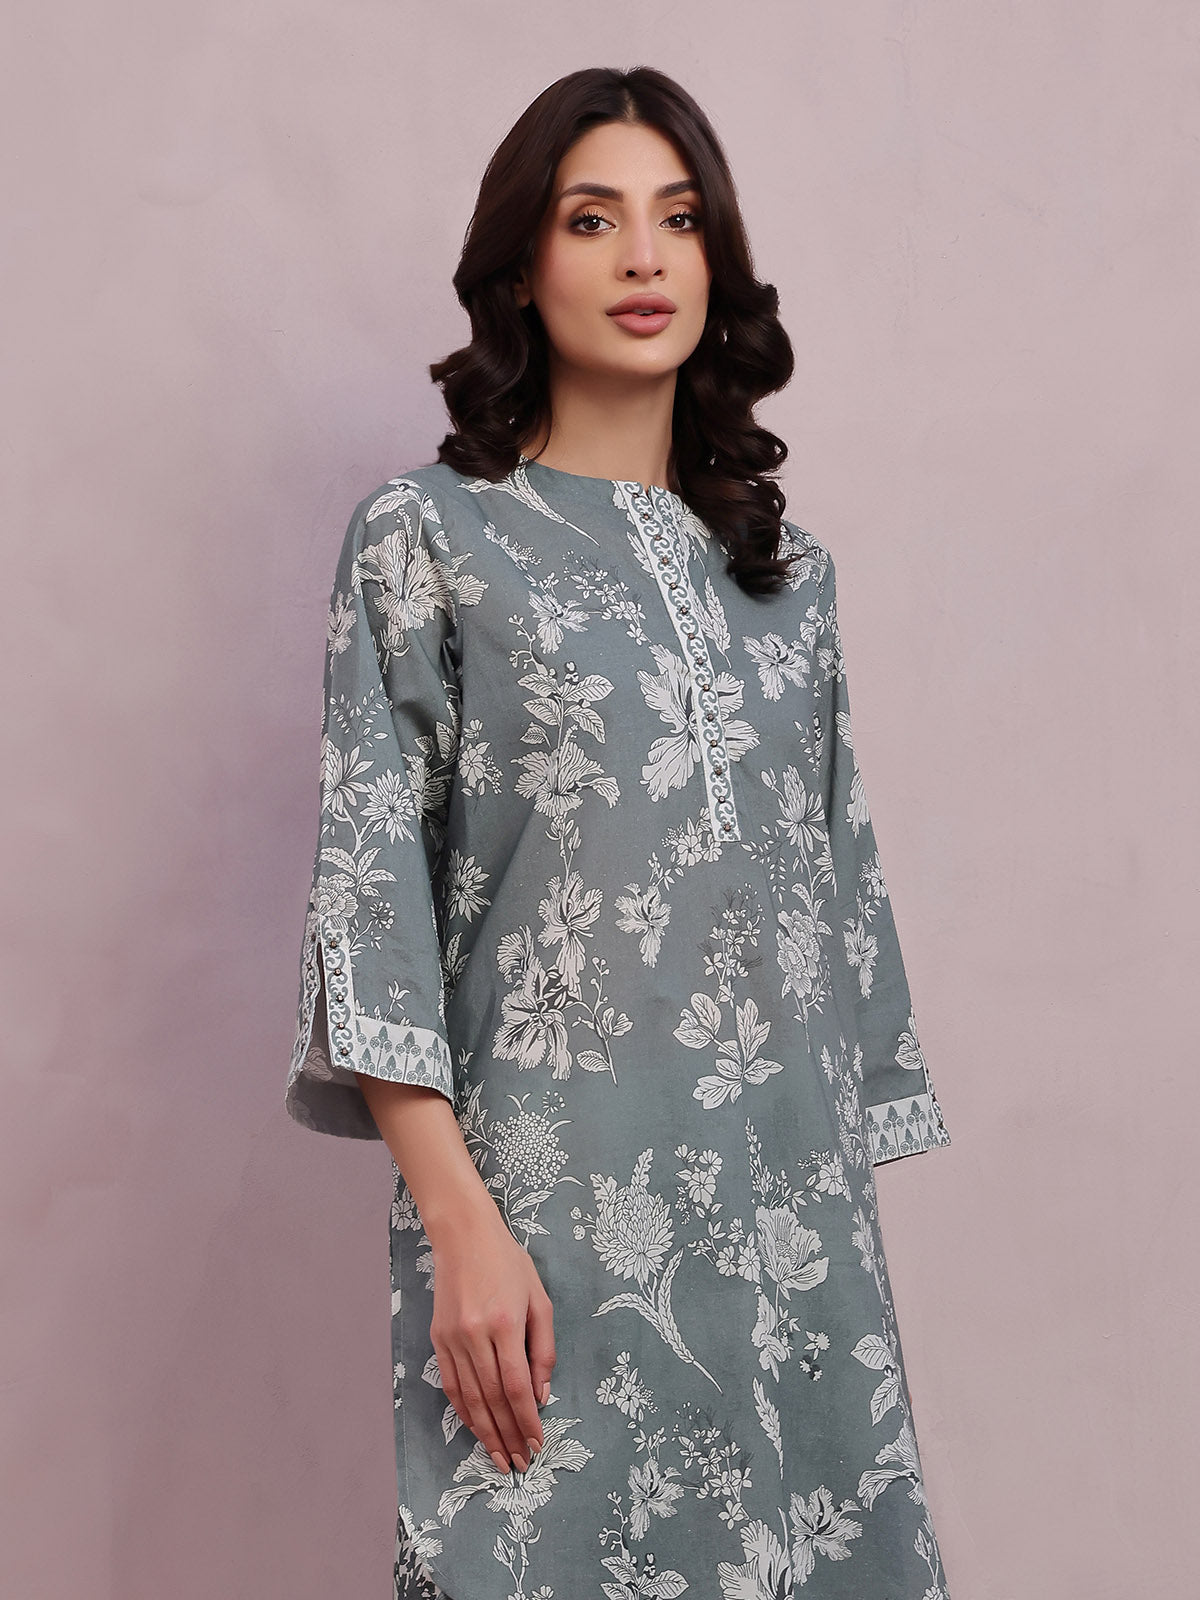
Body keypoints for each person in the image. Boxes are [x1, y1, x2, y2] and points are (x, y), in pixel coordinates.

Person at [285, 64, 953, 1600]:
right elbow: (369, 901)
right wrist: (461, 1227)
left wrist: (828, 1238)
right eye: (594, 220)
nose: (645, 258)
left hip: (791, 1245)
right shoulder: (428, 539)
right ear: (521, 264)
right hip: (553, 1227)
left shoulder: (789, 583)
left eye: (680, 220)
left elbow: (828, 918)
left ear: (718, 265)